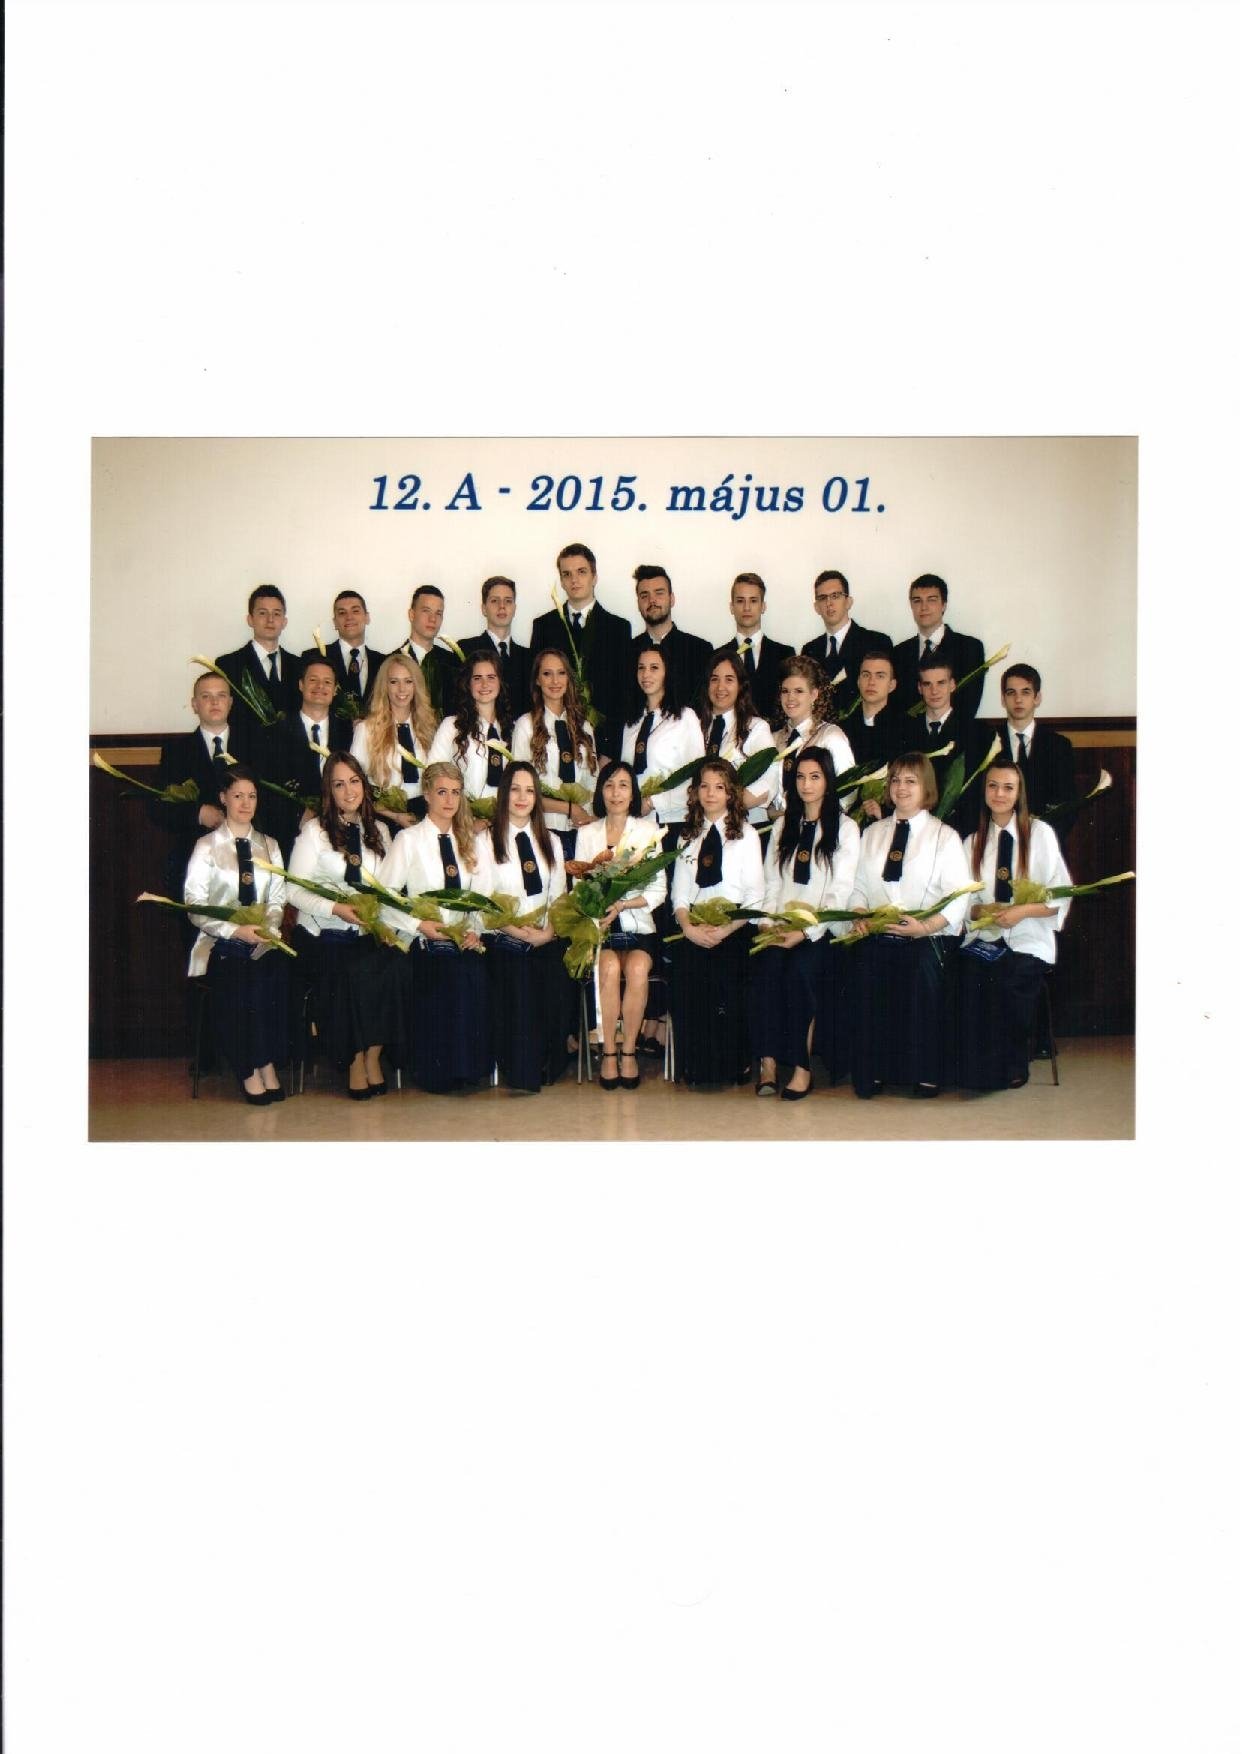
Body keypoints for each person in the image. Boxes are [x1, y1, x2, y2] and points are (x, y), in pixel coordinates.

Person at [846, 752, 972, 1099]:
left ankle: (925, 1071)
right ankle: (872, 1071)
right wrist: (860, 914)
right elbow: (858, 886)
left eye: (911, 781)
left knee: (919, 972)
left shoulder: (944, 836)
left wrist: (925, 927)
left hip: (926, 934)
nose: (901, 788)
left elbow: (959, 896)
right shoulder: (872, 834)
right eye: (896, 780)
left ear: (926, 787)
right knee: (864, 970)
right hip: (880, 932)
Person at [287, 752, 407, 1098]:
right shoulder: (314, 833)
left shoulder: (380, 831)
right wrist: (335, 908)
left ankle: (373, 1055)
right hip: (322, 934)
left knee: (397, 966)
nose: (349, 790)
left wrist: (386, 924)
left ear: (364, 786)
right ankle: (353, 1059)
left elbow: (388, 889)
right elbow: (293, 890)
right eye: (339, 784)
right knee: (349, 973)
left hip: (366, 933)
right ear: (329, 791)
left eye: (354, 781)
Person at [750, 748, 862, 1099]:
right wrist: (767, 923)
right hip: (781, 924)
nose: (806, 785)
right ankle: (768, 1064)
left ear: (828, 781)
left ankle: (802, 1066)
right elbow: (771, 882)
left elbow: (840, 892)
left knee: (800, 973)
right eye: (800, 777)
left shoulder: (846, 828)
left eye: (815, 777)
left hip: (822, 930)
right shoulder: (783, 824)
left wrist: (805, 931)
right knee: (765, 968)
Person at [378, 761, 493, 1093]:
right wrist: (419, 924)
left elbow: (481, 896)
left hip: (462, 939)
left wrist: (474, 929)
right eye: (442, 792)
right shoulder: (408, 840)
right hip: (423, 939)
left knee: (474, 973)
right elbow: (384, 899)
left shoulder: (470, 840)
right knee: (446, 974)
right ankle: (437, 1071)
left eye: (455, 793)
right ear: (427, 795)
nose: (449, 800)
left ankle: (468, 1068)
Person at [958, 760, 1072, 1089]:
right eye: (992, 786)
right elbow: (963, 904)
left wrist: (1022, 912)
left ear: (1019, 793)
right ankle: (975, 1067)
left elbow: (1060, 895)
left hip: (1028, 937)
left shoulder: (1040, 834)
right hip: (986, 938)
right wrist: (982, 910)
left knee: (1011, 978)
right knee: (968, 976)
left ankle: (1012, 1062)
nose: (999, 794)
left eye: (1008, 787)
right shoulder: (973, 842)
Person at [183, 765, 289, 1104]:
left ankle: (266, 1059)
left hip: (262, 942)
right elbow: (195, 906)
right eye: (238, 795)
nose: (245, 803)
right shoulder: (206, 846)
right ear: (223, 798)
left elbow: (278, 898)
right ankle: (248, 1068)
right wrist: (234, 930)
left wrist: (267, 928)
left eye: (252, 796)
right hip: (219, 944)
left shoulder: (270, 846)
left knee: (276, 978)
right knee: (241, 981)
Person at [572, 762, 669, 1091]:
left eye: (624, 785)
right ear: (601, 791)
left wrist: (623, 904)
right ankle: (609, 1053)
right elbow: (578, 888)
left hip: (638, 928)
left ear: (633, 793)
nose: (616, 793)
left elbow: (658, 890)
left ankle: (629, 1052)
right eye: (609, 785)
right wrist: (597, 908)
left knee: (638, 968)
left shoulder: (647, 831)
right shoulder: (587, 834)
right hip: (601, 931)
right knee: (610, 968)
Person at [669, 758, 766, 1086]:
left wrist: (724, 929)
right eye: (704, 786)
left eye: (719, 787)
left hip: (734, 925)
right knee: (687, 973)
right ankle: (696, 1065)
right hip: (695, 925)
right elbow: (679, 895)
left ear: (731, 793)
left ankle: (734, 1062)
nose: (711, 793)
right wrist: (688, 928)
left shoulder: (747, 835)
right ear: (695, 792)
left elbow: (755, 896)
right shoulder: (687, 836)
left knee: (729, 976)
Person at [485, 762, 572, 1094]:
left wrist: (547, 932)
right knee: (519, 977)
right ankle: (522, 1069)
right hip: (504, 934)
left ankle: (550, 1061)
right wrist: (517, 931)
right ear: (504, 794)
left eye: (530, 791)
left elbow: (558, 896)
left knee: (554, 973)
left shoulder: (551, 841)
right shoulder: (485, 840)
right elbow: (483, 899)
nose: (522, 797)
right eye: (515, 789)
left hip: (545, 934)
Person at [150, 670, 254, 903]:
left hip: (247, 858)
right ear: (194, 705)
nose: (214, 702)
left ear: (230, 702)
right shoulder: (176, 752)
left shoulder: (255, 745)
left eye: (221, 696)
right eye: (206, 696)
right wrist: (197, 813)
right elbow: (157, 808)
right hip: (194, 859)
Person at [528, 543, 633, 760]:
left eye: (581, 572)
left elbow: (622, 695)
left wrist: (609, 752)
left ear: (594, 577)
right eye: (567, 574)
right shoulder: (544, 626)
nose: (574, 580)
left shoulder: (618, 628)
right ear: (561, 581)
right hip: (553, 742)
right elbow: (535, 689)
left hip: (603, 744)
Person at [256, 655, 350, 857]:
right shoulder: (274, 732)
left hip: (343, 829)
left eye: (327, 682)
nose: (320, 686)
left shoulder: (349, 731)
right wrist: (299, 816)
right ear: (301, 684)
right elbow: (264, 786)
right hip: (291, 833)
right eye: (313, 680)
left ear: (335, 690)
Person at [510, 647, 598, 848]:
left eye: (561, 673)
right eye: (547, 674)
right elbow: (519, 788)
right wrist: (569, 809)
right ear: (537, 680)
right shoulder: (525, 725)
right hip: (543, 828)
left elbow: (592, 781)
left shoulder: (584, 727)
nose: (555, 681)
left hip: (583, 829)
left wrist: (590, 817)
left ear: (569, 678)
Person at [620, 647, 706, 838]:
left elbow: (697, 776)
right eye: (641, 668)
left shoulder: (685, 717)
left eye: (654, 668)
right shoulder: (632, 723)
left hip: (674, 822)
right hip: (636, 824)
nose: (646, 674)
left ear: (667, 672)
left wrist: (653, 802)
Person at [350, 652, 438, 832]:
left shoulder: (430, 728)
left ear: (416, 685)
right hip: (382, 821)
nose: (401, 689)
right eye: (394, 682)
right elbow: (355, 785)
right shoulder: (366, 729)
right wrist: (394, 816)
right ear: (384, 686)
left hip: (425, 818)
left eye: (408, 681)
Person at [427, 650, 514, 824]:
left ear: (500, 682)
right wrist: (466, 820)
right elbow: (433, 777)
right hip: (465, 824)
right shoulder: (452, 726)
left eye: (491, 677)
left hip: (506, 823)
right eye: (477, 678)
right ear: (468, 683)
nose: (484, 684)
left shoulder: (513, 728)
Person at [696, 648, 777, 827]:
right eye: (714, 679)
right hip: (703, 826)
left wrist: (727, 807)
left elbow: (769, 781)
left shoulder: (756, 728)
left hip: (747, 825)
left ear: (741, 685)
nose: (720, 687)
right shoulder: (695, 728)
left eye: (729, 679)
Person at [997, 663, 1077, 844]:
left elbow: (1068, 807)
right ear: (1003, 699)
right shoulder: (986, 743)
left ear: (1037, 698)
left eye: (1025, 692)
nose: (1018, 699)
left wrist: (1041, 841)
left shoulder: (1059, 746)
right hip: (998, 842)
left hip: (1044, 842)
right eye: (1011, 693)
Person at [769, 654, 855, 816]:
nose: (790, 698)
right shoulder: (773, 739)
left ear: (814, 694)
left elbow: (848, 793)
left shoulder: (831, 736)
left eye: (799, 691)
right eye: (785, 691)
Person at [892, 573, 986, 720]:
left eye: (931, 600)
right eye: (917, 601)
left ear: (944, 605)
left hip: (954, 731)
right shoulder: (899, 653)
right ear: (911, 606)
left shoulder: (969, 648)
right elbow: (897, 705)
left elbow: (968, 704)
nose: (924, 607)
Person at [216, 584, 304, 723]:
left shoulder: (300, 665)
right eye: (263, 613)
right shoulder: (228, 666)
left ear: (284, 622)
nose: (270, 619)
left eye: (276, 614)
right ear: (250, 619)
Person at [800, 570, 892, 700]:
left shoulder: (876, 642)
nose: (829, 603)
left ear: (848, 602)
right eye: (823, 598)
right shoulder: (809, 650)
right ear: (816, 607)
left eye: (835, 596)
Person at [630, 565, 714, 706]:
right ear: (638, 603)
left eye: (659, 593)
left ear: (672, 599)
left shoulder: (699, 650)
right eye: (644, 595)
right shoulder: (627, 652)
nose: (652, 600)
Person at [722, 572, 795, 724]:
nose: (747, 607)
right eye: (740, 601)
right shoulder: (720, 656)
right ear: (731, 607)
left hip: (775, 735)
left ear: (763, 606)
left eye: (753, 601)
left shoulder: (785, 654)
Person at [301, 590, 385, 711]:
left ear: (367, 617)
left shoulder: (383, 662)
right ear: (335, 622)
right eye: (342, 613)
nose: (349, 617)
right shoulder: (315, 657)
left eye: (355, 611)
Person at [458, 575, 532, 708]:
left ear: (514, 608)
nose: (502, 606)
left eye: (508, 601)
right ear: (484, 609)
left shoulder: (528, 656)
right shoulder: (465, 649)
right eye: (494, 601)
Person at [847, 649, 906, 793]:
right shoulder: (841, 729)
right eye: (866, 675)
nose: (871, 682)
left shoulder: (907, 728)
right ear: (858, 682)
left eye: (880, 676)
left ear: (892, 685)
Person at [397, 584, 461, 718]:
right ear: (411, 615)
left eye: (438, 613)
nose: (433, 619)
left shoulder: (453, 663)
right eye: (426, 611)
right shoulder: (392, 661)